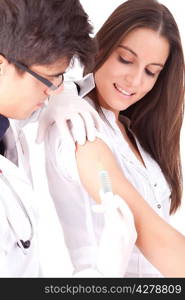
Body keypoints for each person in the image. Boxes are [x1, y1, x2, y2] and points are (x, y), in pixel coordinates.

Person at [44, 0, 185, 277]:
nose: (134, 80)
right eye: (126, 59)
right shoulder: (78, 123)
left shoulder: (133, 133)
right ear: (102, 47)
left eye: (151, 71)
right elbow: (148, 231)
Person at [0, 0, 129, 277]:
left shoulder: (9, 115)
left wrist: (65, 91)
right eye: (49, 80)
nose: (54, 91)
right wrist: (102, 276)